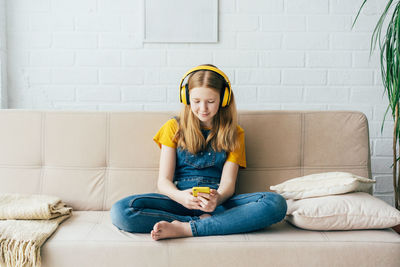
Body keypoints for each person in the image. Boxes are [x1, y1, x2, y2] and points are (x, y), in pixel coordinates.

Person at [110, 64, 287, 241]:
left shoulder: (235, 133)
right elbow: (163, 182)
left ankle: (186, 228)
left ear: (223, 99)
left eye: (210, 101)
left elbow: (228, 184)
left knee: (275, 204)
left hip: (217, 203)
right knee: (121, 211)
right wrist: (181, 197)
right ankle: (208, 224)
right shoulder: (172, 127)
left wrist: (216, 199)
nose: (203, 108)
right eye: (196, 101)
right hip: (179, 200)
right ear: (186, 98)